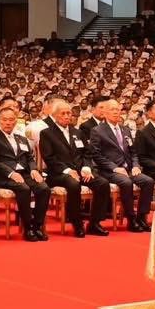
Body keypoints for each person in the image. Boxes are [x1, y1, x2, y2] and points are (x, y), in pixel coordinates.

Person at [39, 98, 111, 237]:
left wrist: (86, 167)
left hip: (80, 171)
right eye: (63, 113)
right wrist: (67, 171)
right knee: (73, 184)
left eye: (69, 113)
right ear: (55, 116)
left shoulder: (77, 132)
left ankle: (94, 223)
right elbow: (49, 158)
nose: (67, 116)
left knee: (102, 183)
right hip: (58, 174)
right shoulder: (47, 133)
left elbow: (87, 153)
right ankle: (77, 223)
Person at [0, 105, 50, 241]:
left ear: (15, 121)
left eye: (11, 120)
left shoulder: (22, 139)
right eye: (4, 120)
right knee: (24, 188)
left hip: (25, 174)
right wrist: (11, 173)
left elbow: (29, 158)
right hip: (5, 176)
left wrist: (34, 169)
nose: (8, 123)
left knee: (44, 188)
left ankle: (37, 226)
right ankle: (28, 228)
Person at [89, 99, 153, 233]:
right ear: (105, 113)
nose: (116, 112)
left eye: (118, 110)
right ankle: (131, 219)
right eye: (112, 110)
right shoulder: (97, 130)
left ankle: (141, 217)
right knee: (126, 182)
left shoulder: (125, 130)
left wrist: (135, 165)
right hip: (109, 170)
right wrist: (114, 167)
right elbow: (96, 155)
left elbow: (133, 152)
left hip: (128, 169)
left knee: (148, 181)